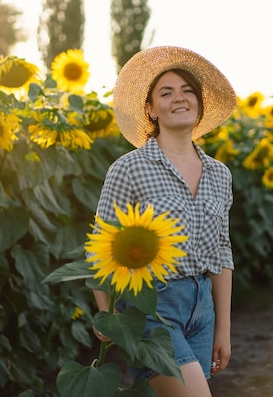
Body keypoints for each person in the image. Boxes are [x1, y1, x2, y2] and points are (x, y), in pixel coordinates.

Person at [90, 45, 237, 397]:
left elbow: (221, 253)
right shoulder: (129, 168)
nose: (179, 99)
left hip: (202, 308)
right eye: (166, 93)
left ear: (200, 105)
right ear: (151, 109)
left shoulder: (219, 174)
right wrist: (107, 314)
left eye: (188, 91)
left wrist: (222, 329)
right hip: (150, 304)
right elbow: (101, 243)